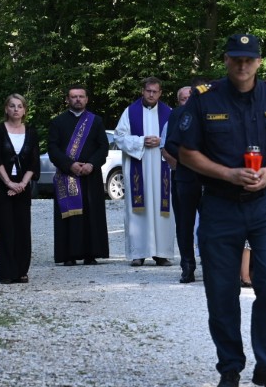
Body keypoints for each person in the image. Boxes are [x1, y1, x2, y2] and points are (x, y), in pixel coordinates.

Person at [178, 33, 266, 387]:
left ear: (259, 62)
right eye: (236, 58)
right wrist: (228, 174)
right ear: (226, 60)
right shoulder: (205, 99)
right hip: (220, 203)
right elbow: (186, 152)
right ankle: (230, 367)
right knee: (221, 290)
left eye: (249, 59)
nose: (243, 65)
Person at [114, 76, 175, 267]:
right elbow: (119, 137)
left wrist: (162, 141)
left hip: (161, 169)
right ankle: (138, 253)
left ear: (160, 93)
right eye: (148, 91)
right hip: (137, 168)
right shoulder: (130, 112)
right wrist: (141, 141)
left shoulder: (169, 113)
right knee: (138, 210)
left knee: (162, 210)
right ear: (142, 91)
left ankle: (161, 253)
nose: (151, 94)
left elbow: (178, 136)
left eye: (155, 91)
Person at [48, 85, 110, 266]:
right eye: (74, 97)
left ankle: (91, 253)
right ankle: (69, 255)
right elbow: (53, 148)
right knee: (69, 216)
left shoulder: (96, 121)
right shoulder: (57, 122)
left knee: (92, 214)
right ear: (67, 99)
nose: (77, 99)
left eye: (81, 96)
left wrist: (91, 164)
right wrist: (70, 165)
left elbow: (103, 147)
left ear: (87, 99)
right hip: (67, 175)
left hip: (91, 175)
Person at [0, 94, 40, 284]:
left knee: (22, 229)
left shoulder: (31, 132)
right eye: (12, 106)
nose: (16, 109)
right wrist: (9, 183)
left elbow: (34, 161)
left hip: (23, 186)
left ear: (25, 110)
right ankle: (6, 272)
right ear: (6, 109)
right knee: (4, 228)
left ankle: (21, 271)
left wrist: (22, 184)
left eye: (19, 106)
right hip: (2, 185)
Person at [162, 80, 205, 283]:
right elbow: (170, 144)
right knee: (184, 223)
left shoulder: (217, 112)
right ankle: (187, 265)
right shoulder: (179, 114)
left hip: (212, 179)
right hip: (186, 176)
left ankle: (212, 263)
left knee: (213, 222)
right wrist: (188, 158)